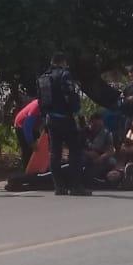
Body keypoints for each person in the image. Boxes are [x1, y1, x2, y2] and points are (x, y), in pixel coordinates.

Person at [39, 52, 89, 196]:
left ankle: (59, 187)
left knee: (55, 153)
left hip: (50, 120)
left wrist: (44, 120)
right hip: (65, 119)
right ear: (63, 62)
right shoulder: (64, 75)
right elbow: (71, 95)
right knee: (75, 151)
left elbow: (41, 101)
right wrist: (78, 113)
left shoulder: (43, 77)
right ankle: (75, 186)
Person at [85, 112, 117, 182]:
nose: (97, 127)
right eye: (95, 125)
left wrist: (101, 157)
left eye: (99, 125)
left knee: (112, 161)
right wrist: (88, 153)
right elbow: (76, 148)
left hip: (100, 157)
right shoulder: (83, 132)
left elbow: (110, 150)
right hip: (85, 156)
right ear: (90, 122)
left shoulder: (106, 133)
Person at [13, 97, 41, 171]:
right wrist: (31, 142)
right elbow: (27, 126)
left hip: (32, 126)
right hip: (21, 125)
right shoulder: (36, 108)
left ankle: (37, 168)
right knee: (28, 149)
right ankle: (27, 172)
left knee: (38, 147)